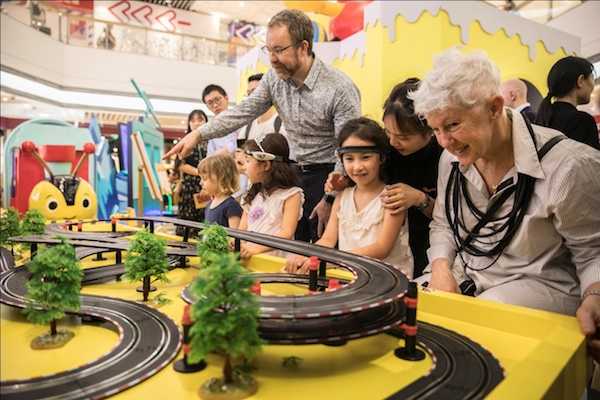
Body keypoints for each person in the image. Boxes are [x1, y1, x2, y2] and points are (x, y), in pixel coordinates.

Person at [408, 47, 600, 362]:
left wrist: (594, 296)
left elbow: (592, 251)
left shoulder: (569, 165)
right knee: (406, 311)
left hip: (540, 283)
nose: (444, 142)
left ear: (495, 107)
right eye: (435, 130)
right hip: (467, 273)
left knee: (474, 335)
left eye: (453, 125)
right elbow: (443, 222)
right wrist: (441, 265)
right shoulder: (450, 160)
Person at [164, 9, 362, 243]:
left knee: (325, 250)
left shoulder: (339, 88)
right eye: (269, 50)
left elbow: (348, 148)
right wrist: (198, 133)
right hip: (292, 176)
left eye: (279, 50)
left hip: (328, 176)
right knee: (292, 250)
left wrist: (331, 197)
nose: (272, 59)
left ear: (303, 47)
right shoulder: (273, 79)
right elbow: (242, 112)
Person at [326, 78, 443, 278]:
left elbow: (451, 218)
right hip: (362, 257)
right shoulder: (382, 146)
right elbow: (362, 171)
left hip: (424, 241)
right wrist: (344, 180)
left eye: (403, 137)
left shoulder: (444, 157)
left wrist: (419, 199)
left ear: (430, 130)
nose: (393, 142)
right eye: (388, 132)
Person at [285, 117, 413, 278]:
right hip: (351, 276)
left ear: (381, 158)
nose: (357, 166)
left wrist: (333, 260)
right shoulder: (342, 197)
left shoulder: (392, 197)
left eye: (365, 157)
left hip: (388, 280)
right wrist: (308, 254)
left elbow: (382, 248)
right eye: (349, 158)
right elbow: (328, 239)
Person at [236, 132, 304, 260]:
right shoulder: (252, 193)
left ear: (266, 165)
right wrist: (236, 242)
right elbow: (242, 231)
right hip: (249, 259)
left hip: (274, 262)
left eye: (248, 161)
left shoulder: (291, 195)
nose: (244, 167)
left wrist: (256, 248)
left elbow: (286, 232)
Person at [535, 56, 599, 150]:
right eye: (592, 78)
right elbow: (591, 159)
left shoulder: (541, 118)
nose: (593, 85)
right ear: (580, 81)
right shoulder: (582, 121)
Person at [175, 109, 209, 238]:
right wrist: (200, 173)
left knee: (205, 218)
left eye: (200, 120)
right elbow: (180, 164)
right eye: (193, 120)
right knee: (188, 220)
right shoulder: (185, 141)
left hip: (208, 186)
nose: (196, 123)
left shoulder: (211, 141)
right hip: (190, 186)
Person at [198, 154, 242, 229]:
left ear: (222, 179)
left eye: (205, 179)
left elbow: (235, 233)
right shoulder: (209, 204)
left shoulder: (231, 205)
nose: (200, 183)